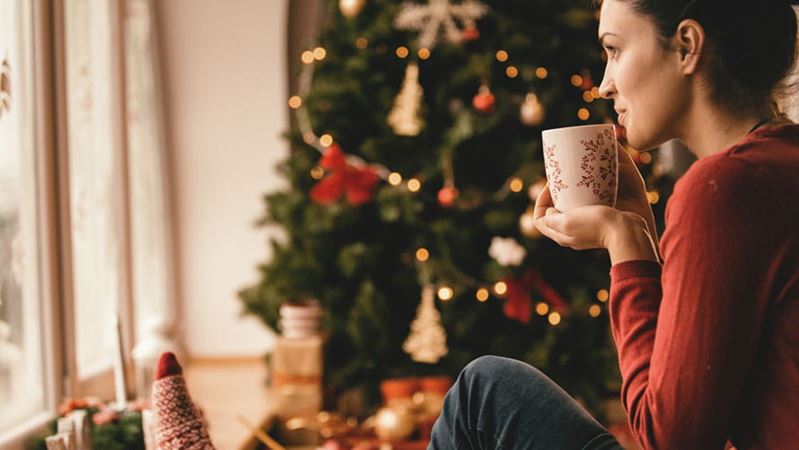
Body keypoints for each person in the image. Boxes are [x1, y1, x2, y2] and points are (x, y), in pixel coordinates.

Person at [428, 0, 798, 448]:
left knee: (482, 393)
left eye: (615, 50)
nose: (604, 85)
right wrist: (638, 225)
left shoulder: (727, 187)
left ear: (686, 46)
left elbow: (669, 440)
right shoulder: (779, 164)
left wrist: (624, 243)